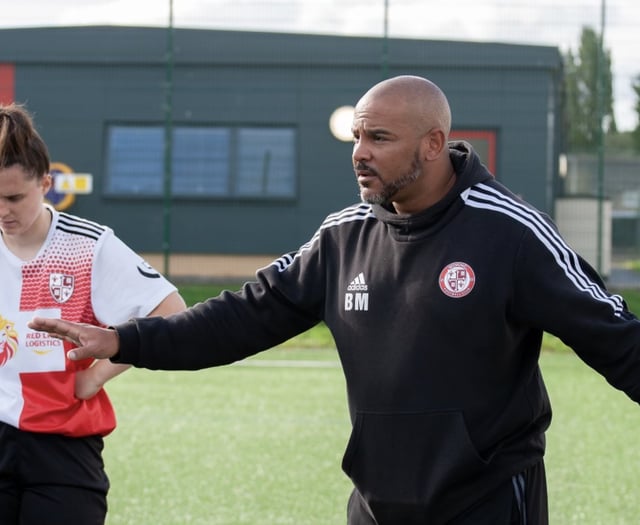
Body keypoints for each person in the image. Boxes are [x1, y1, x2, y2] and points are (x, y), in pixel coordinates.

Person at [30, 75, 640, 524]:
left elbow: (615, 338)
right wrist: (127, 339)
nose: (360, 152)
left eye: (379, 138)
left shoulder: (509, 233)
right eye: (357, 136)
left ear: (433, 145)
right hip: (375, 504)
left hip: (486, 503)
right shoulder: (342, 235)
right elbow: (244, 315)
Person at [0, 103, 187, 525]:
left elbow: (172, 313)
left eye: (14, 197)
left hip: (62, 453)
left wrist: (98, 374)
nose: (3, 210)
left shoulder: (88, 246)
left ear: (46, 184)